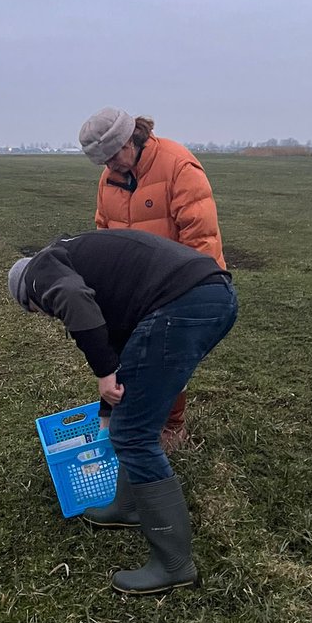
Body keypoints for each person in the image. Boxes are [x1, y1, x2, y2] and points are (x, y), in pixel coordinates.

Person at [7, 229, 237, 595]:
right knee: (129, 422)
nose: (44, 314)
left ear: (28, 297)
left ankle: (174, 565)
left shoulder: (40, 270)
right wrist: (107, 408)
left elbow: (71, 299)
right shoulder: (78, 262)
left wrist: (102, 375)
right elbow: (124, 346)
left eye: (36, 310)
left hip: (184, 301)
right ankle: (128, 506)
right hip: (213, 295)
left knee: (134, 435)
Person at [79, 107, 226, 451]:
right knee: (128, 353)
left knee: (169, 356)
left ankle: (173, 426)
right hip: (135, 289)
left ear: (132, 140)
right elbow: (104, 233)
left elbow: (200, 239)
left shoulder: (179, 167)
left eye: (114, 156)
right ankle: (132, 419)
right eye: (103, 162)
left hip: (181, 284)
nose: (110, 166)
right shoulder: (109, 179)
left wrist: (185, 294)